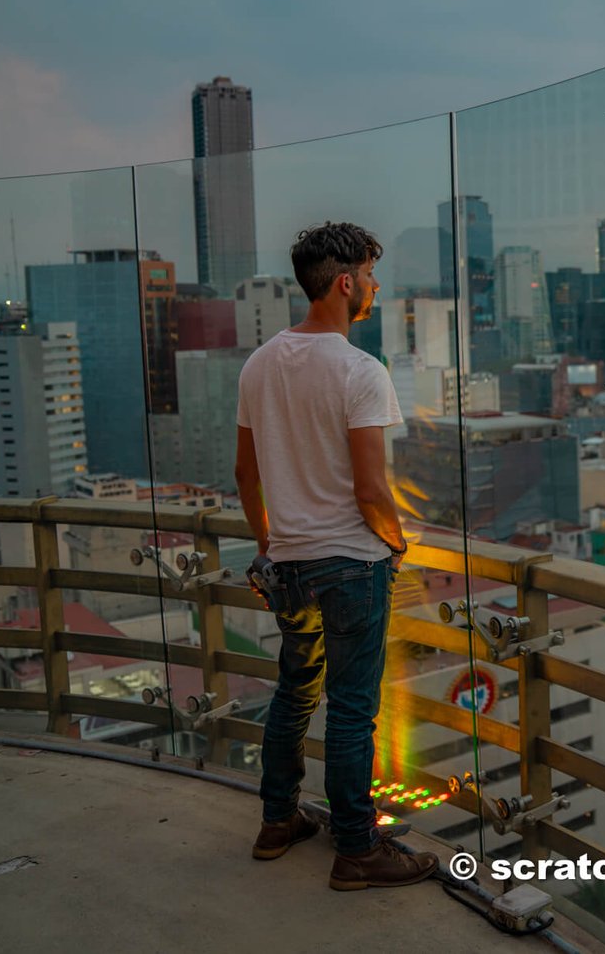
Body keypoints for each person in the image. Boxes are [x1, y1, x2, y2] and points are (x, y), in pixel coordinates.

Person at [235, 221, 435, 890]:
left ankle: (276, 820)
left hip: (288, 564)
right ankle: (356, 847)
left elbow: (244, 473)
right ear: (345, 282)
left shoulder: (260, 362)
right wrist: (398, 542)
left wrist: (269, 544)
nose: (376, 287)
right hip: (352, 562)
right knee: (352, 707)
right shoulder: (360, 370)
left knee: (295, 691)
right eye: (372, 275)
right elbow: (372, 487)